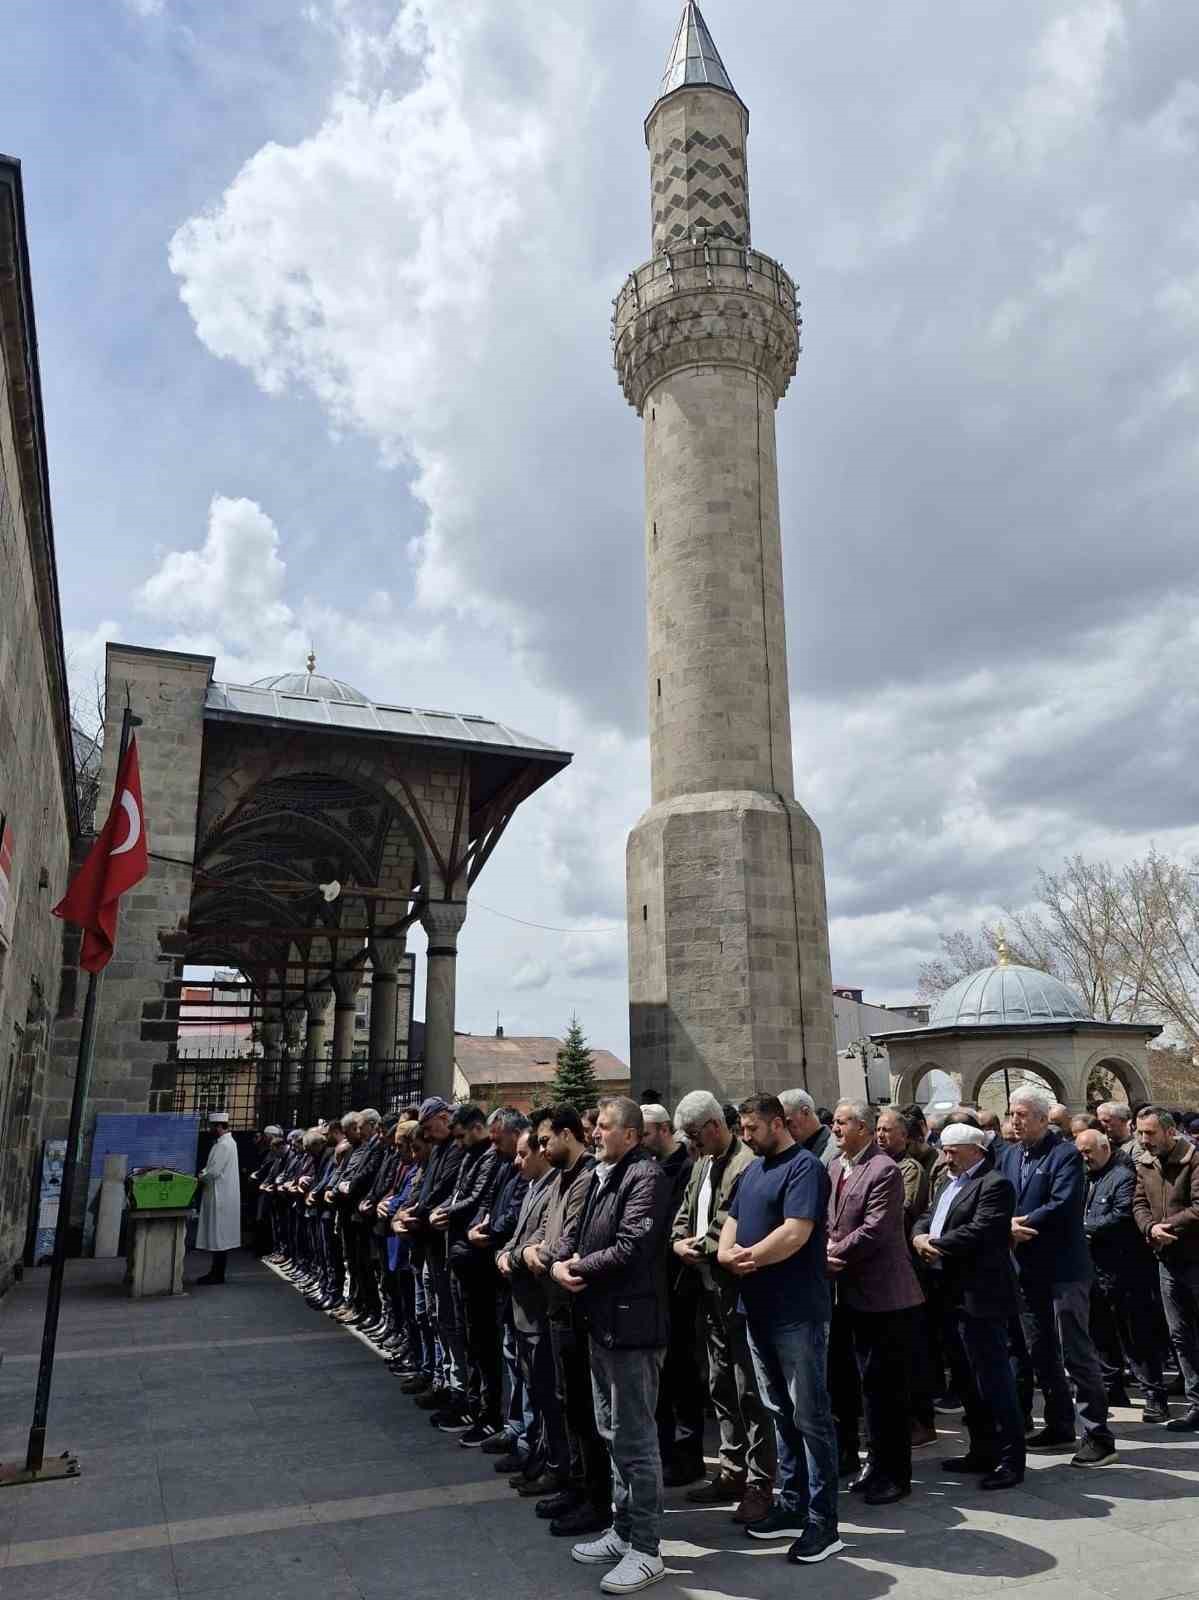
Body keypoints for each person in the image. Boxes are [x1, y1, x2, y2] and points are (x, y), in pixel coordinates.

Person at [553, 1097, 673, 1595]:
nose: (595, 1133)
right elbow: (580, 1235)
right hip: (601, 1324)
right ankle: (622, 1531)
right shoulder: (604, 1174)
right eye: (596, 1126)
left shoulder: (645, 1177)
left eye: (603, 1127)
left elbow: (630, 1247)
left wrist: (577, 1268)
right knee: (611, 1432)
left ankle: (646, 1548)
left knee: (635, 1439)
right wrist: (562, 1261)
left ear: (630, 1134)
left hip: (632, 1328)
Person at [718, 1094, 841, 1566]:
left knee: (811, 1416)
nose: (745, 1136)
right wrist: (726, 1254)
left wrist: (746, 1258)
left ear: (777, 1123)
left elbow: (796, 1232)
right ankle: (791, 1505)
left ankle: (823, 1522)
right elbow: (731, 1220)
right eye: (742, 1129)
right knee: (779, 1413)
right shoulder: (753, 1170)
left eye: (752, 1128)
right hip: (758, 1310)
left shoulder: (804, 1168)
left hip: (797, 1312)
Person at [995, 1086, 1117, 1467]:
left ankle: (1098, 1435)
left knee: (1075, 1351)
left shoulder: (1065, 1155)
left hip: (1064, 1270)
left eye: (1022, 1115)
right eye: (1012, 1114)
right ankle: (1059, 1424)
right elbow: (999, 1198)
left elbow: (1062, 1204)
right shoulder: (1009, 1155)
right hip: (1027, 1270)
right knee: (1040, 1349)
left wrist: (1020, 1224)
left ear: (1042, 1118)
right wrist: (1004, 1224)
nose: (1015, 1121)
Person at [672, 1089, 776, 1526]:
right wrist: (678, 1242)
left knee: (749, 1388)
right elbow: (685, 1211)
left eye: (695, 1135)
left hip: (737, 1290)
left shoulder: (744, 1165)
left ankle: (760, 1481)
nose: (692, 1144)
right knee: (719, 1383)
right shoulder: (701, 1163)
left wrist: (700, 1248)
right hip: (707, 1289)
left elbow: (731, 1220)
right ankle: (731, 1469)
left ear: (715, 1126)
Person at [912, 1124, 1025, 1489]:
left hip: (981, 1297)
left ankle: (1010, 1459)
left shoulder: (994, 1185)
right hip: (949, 1294)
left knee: (993, 1378)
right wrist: (919, 1237)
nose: (946, 1158)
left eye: (953, 1152)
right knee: (965, 1378)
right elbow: (927, 1216)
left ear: (976, 1150)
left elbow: (982, 1230)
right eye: (944, 1151)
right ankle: (982, 1449)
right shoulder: (949, 1183)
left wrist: (936, 1244)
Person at [827, 1099, 924, 1504]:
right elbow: (829, 1220)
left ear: (863, 1128)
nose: (834, 1129)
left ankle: (896, 1474)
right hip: (848, 1294)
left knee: (887, 1388)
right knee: (863, 1386)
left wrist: (832, 1252)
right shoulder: (836, 1167)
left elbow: (876, 1228)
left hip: (884, 1296)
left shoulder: (884, 1169)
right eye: (834, 1122)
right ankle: (874, 1462)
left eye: (842, 1122)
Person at [526, 1105, 606, 1535]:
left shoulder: (586, 1177)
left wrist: (538, 1255)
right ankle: (577, 1484)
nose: (542, 1149)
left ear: (568, 1134)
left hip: (577, 1309)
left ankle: (596, 1498)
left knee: (583, 1406)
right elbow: (544, 1232)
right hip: (556, 1304)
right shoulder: (559, 1178)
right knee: (567, 1402)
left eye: (545, 1141)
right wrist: (530, 1250)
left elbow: (565, 1243)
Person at [1076, 1128, 1169, 1420]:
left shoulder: (1123, 1177)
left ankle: (1154, 1395)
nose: (1084, 1158)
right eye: (1081, 1153)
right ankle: (1112, 1388)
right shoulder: (1085, 1178)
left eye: (1089, 1152)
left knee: (1136, 1336)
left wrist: (1084, 1229)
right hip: (1094, 1269)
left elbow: (1121, 1216)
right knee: (1101, 1333)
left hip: (1125, 1270)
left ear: (1105, 1148)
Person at [640, 1103, 703, 1487]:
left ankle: (687, 1455)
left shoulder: (686, 1169)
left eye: (646, 1132)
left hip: (679, 1285)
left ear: (664, 1130)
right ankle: (664, 1452)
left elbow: (677, 1224)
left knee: (682, 1375)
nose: (641, 1139)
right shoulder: (648, 1168)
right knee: (660, 1379)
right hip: (653, 1287)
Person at [1133, 1106, 1199, 1431]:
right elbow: (1138, 1203)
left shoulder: (1194, 1159)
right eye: (1140, 1133)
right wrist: (1150, 1228)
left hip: (1194, 1257)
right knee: (1180, 1334)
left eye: (1150, 1133)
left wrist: (1166, 1226)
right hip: (1167, 1259)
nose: (1144, 1140)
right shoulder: (1145, 1163)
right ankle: (1197, 1403)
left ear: (1170, 1132)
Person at [196, 1111, 241, 1284]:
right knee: (219, 1235)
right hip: (219, 1192)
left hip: (220, 1195)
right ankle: (215, 1272)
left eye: (212, 1127)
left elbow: (214, 1171)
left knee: (219, 1236)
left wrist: (201, 1176)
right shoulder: (226, 1143)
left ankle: (217, 1274)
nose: (210, 1130)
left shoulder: (224, 1145)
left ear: (219, 1127)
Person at [779, 1089, 837, 1168]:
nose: (785, 1130)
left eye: (788, 1123)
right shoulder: (790, 1153)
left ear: (806, 1112)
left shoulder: (835, 1149)